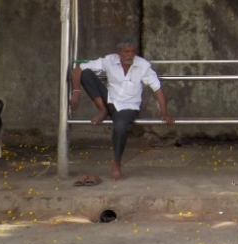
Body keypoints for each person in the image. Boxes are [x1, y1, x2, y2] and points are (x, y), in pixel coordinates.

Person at [70, 38, 172, 180]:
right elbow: (79, 69)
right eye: (126, 52)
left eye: (132, 52)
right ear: (119, 52)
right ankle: (103, 110)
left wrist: (164, 113)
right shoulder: (109, 60)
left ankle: (117, 162)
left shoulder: (143, 66)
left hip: (128, 107)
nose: (130, 55)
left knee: (120, 126)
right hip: (109, 101)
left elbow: (158, 89)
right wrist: (76, 92)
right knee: (86, 73)